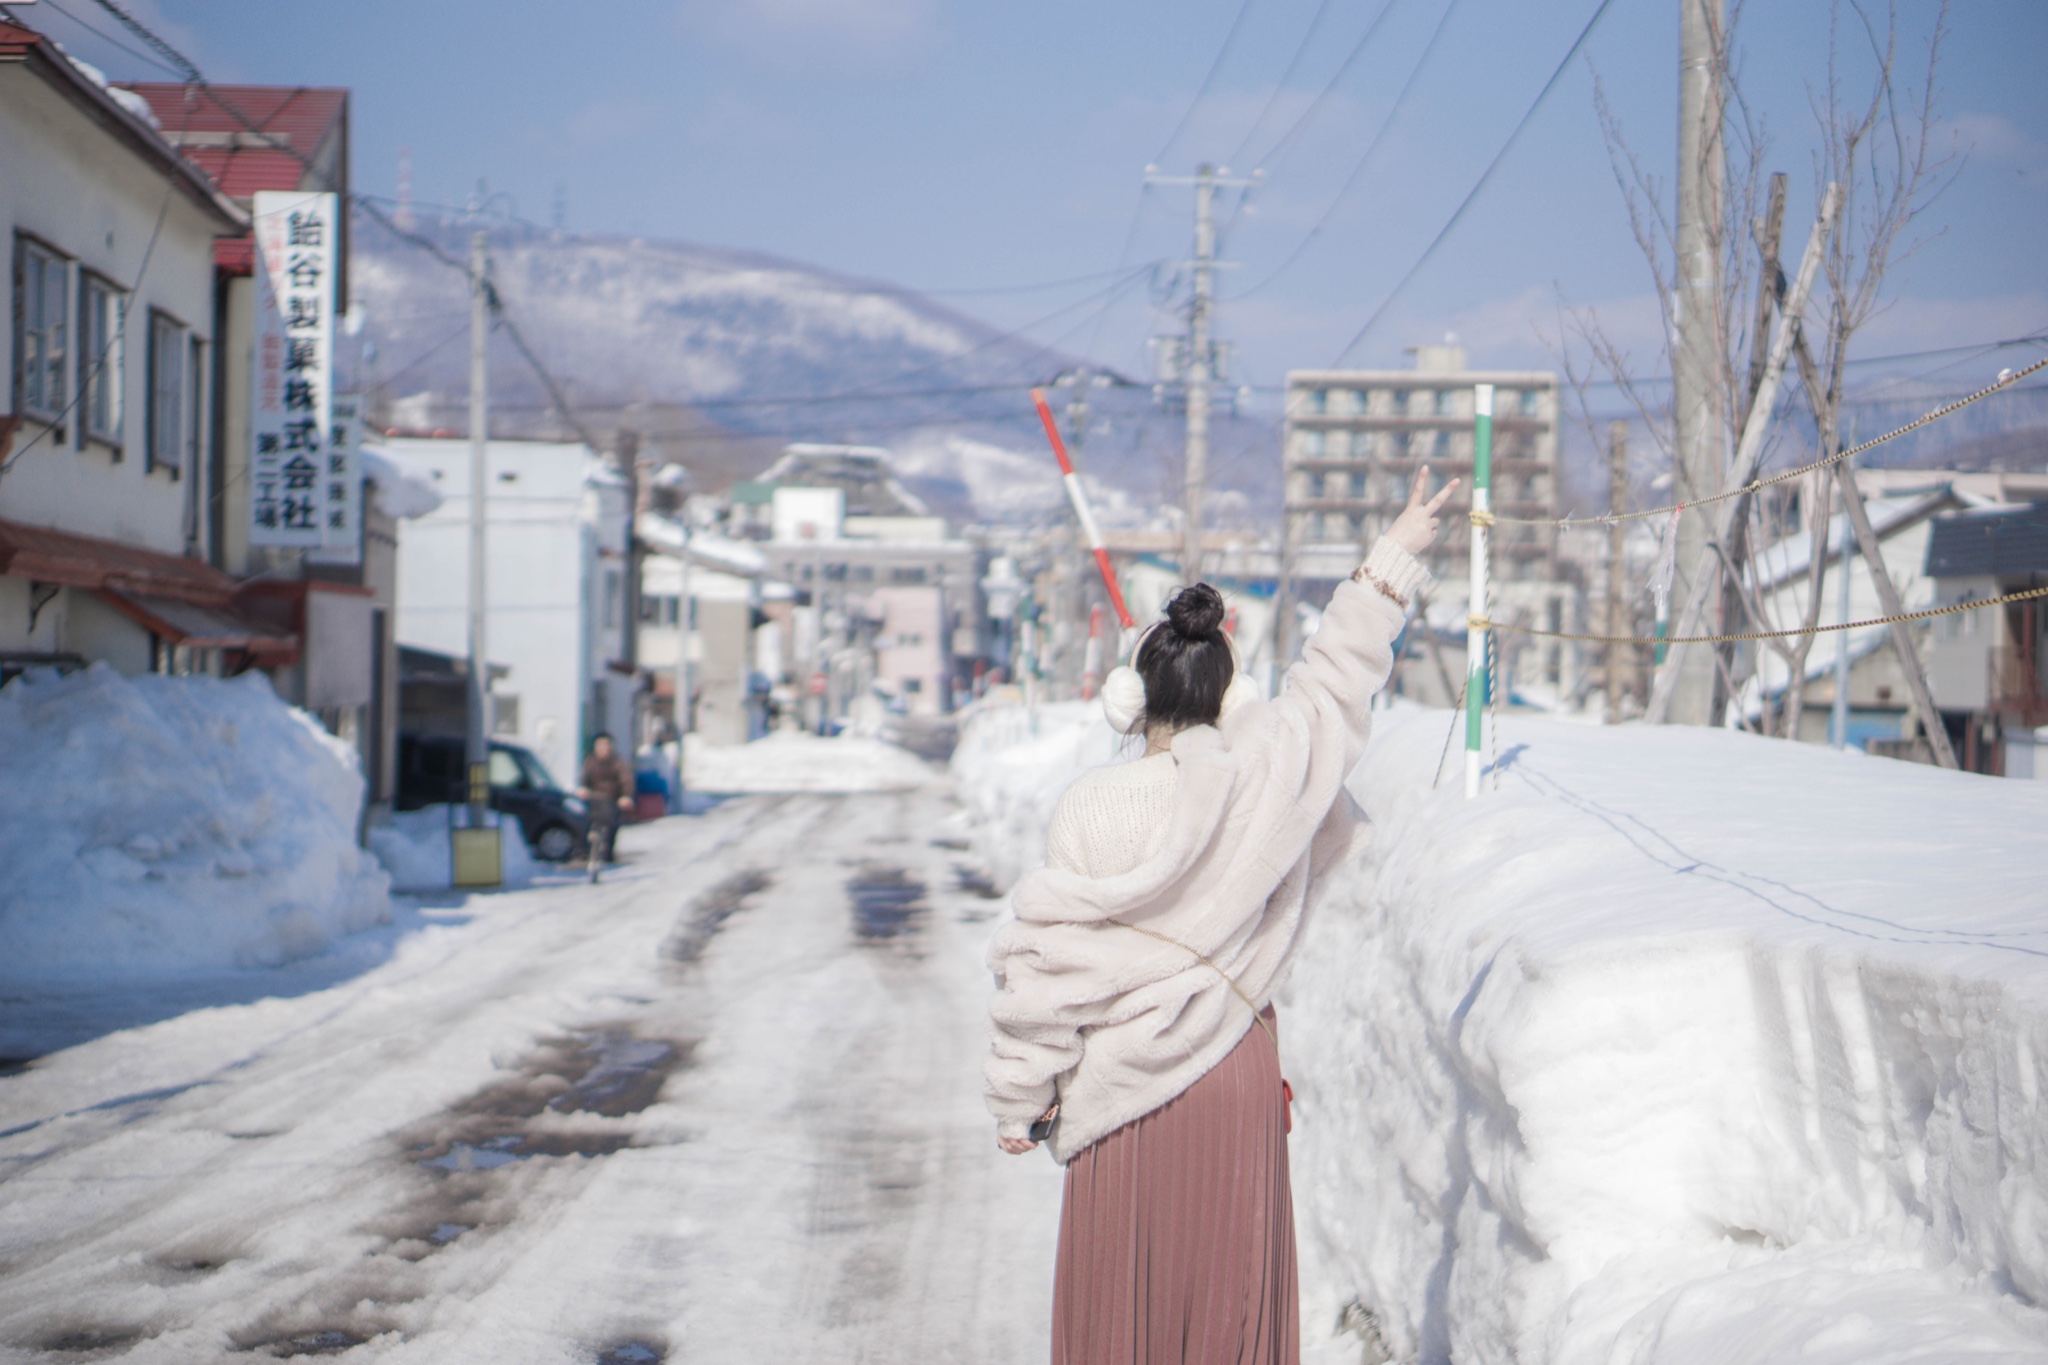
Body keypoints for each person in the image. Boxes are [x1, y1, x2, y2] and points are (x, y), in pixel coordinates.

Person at [984, 466, 1458, 1365]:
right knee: (1227, 1311)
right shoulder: (1264, 777)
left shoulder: (1089, 805)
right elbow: (1330, 688)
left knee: (1127, 1314)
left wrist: (1021, 1101)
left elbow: (1046, 975)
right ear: (1228, 693)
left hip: (1122, 1092)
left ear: (1137, 697)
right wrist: (1391, 560)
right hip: (1234, 1076)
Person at [576, 732, 634, 883]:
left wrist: (625, 796)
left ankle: (606, 851)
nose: (604, 749)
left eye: (606, 745)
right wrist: (582, 789)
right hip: (594, 800)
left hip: (611, 800)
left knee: (611, 825)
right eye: (600, 746)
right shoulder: (590, 761)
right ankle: (587, 849)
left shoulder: (617, 762)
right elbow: (584, 779)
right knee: (586, 821)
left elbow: (626, 779)